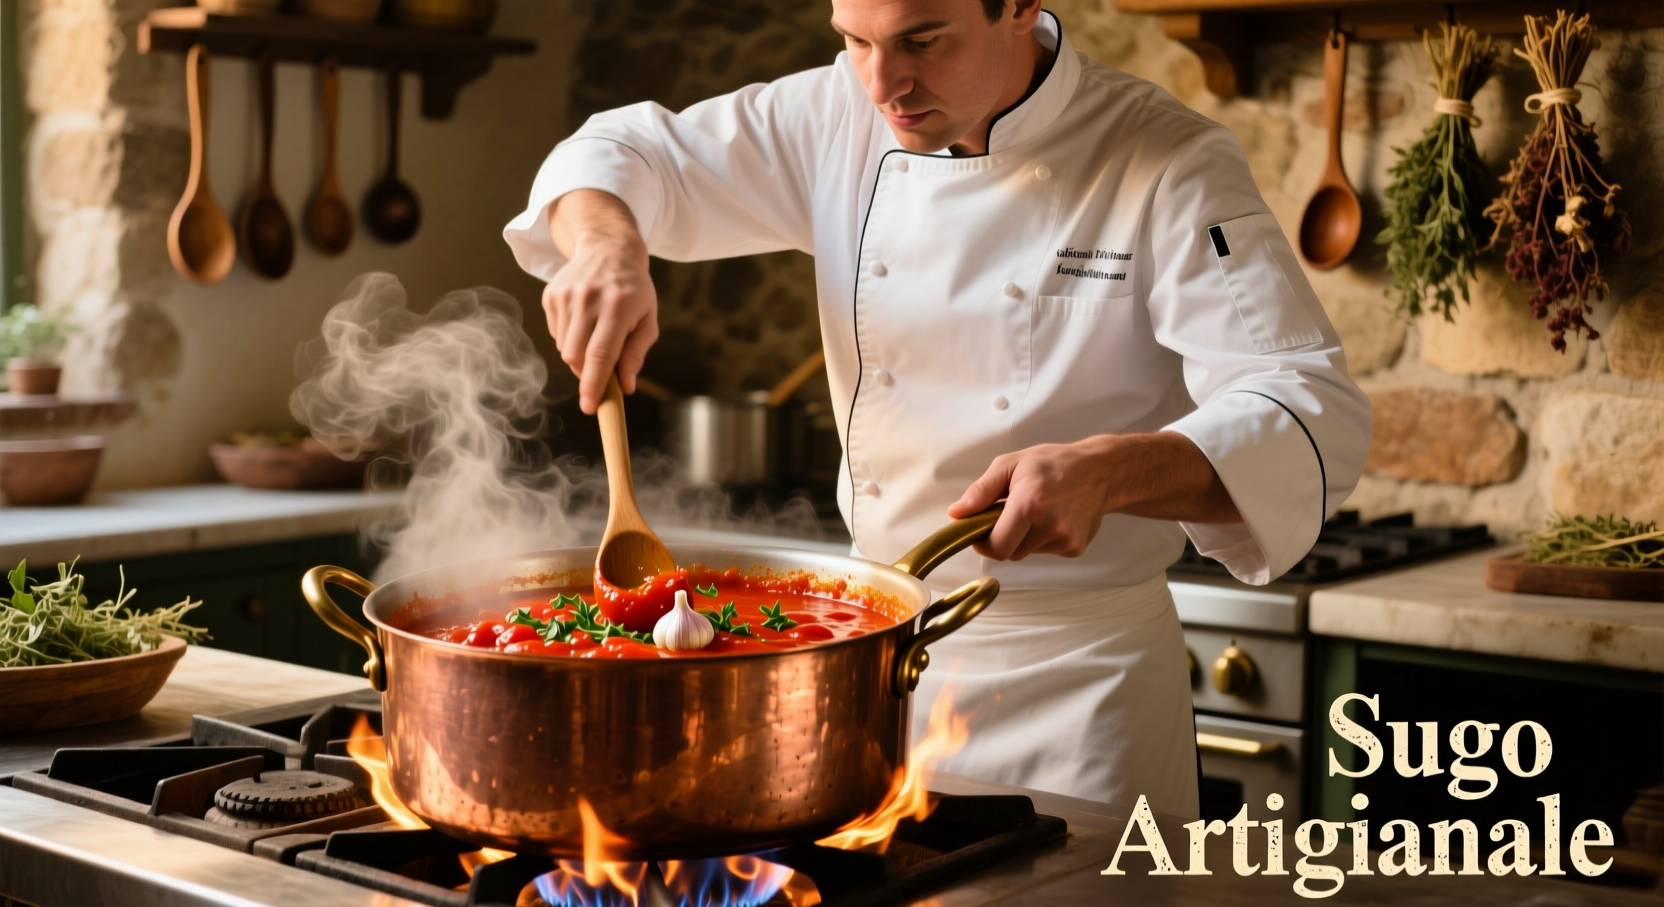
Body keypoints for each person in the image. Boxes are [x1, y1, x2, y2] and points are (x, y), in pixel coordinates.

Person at [504, 0, 1370, 817]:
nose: (881, 85)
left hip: (1077, 693)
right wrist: (610, 247)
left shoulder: (1166, 160)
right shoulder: (837, 115)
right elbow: (617, 152)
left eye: (923, 41)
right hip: (867, 672)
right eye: (855, 39)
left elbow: (1306, 403)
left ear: (1020, 5)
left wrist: (1111, 472)